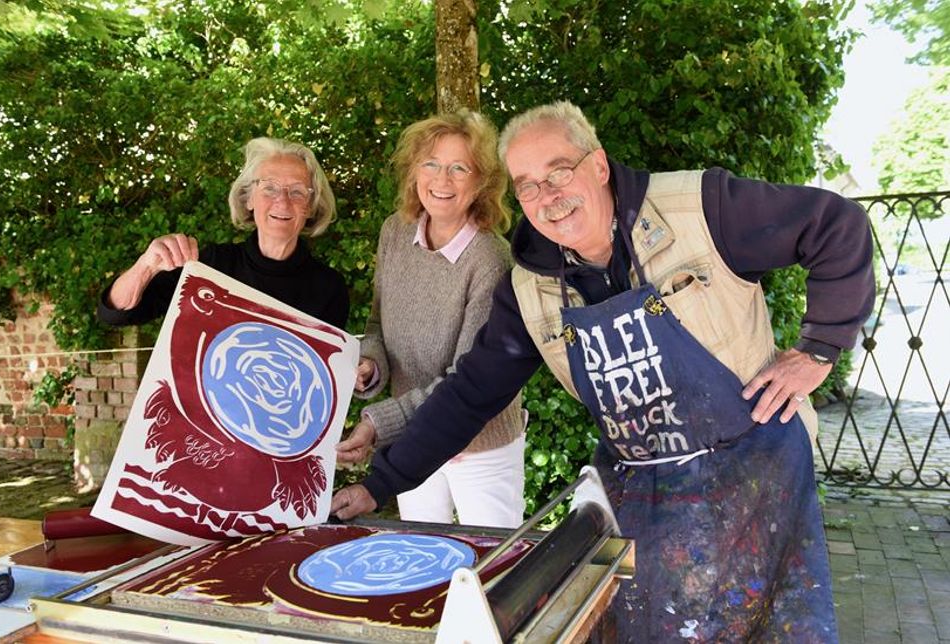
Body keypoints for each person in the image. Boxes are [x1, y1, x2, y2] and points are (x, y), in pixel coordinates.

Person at [332, 101, 875, 641]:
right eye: (528, 185)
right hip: (642, 490)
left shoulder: (699, 209)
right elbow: (471, 392)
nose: (548, 197)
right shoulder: (530, 287)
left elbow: (837, 225)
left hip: (756, 478)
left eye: (559, 172)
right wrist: (380, 484)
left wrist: (819, 348)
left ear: (598, 166)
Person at [336, 110, 526, 528]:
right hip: (412, 440)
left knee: (491, 568)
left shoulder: (490, 259)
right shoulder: (394, 232)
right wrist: (369, 367)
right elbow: (376, 326)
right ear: (413, 172)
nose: (442, 180)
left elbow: (466, 379)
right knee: (420, 561)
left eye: (460, 168)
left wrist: (377, 423)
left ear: (481, 182)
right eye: (431, 164)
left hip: (481, 444)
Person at [98, 137, 349, 330]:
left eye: (297, 191)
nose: (282, 201)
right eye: (269, 188)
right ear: (249, 197)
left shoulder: (329, 288)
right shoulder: (209, 266)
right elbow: (114, 313)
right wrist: (147, 266)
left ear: (311, 205)